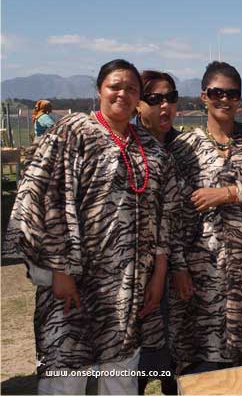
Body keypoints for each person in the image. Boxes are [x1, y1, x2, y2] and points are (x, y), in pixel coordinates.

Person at [7, 59, 180, 395]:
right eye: (115, 86)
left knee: (121, 375)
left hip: (129, 289)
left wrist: (158, 275)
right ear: (100, 89)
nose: (123, 94)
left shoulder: (152, 151)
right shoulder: (71, 133)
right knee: (65, 375)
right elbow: (45, 200)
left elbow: (165, 219)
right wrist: (59, 270)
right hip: (73, 282)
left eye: (132, 89)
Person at [168, 61, 242, 375]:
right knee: (200, 360)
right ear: (204, 96)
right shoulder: (184, 147)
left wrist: (228, 193)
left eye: (232, 94)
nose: (225, 99)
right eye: (217, 92)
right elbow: (172, 216)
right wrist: (178, 268)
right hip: (202, 273)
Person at [135, 70, 185, 395]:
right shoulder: (128, 148)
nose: (164, 105)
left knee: (176, 365)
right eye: (154, 99)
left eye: (170, 97)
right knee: (135, 366)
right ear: (138, 104)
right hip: (138, 275)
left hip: (181, 273)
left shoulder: (185, 147)